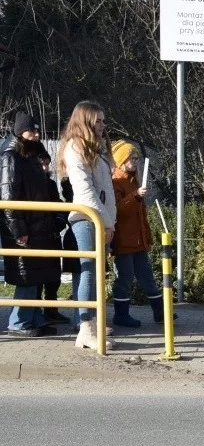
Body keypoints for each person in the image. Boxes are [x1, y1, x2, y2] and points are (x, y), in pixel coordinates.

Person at [58, 101, 116, 351]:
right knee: (87, 272)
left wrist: (108, 220)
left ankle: (92, 323)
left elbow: (105, 191)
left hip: (99, 217)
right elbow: (86, 191)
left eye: (104, 121)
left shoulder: (96, 148)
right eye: (98, 121)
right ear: (86, 121)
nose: (103, 126)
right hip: (86, 217)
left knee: (93, 273)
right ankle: (84, 328)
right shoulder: (75, 147)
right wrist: (106, 222)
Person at [1, 134, 63, 336]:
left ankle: (33, 318)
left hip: (37, 229)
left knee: (34, 276)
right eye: (31, 130)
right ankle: (18, 322)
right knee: (26, 277)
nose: (36, 134)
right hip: (25, 229)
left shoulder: (29, 158)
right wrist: (18, 231)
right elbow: (8, 195)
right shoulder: (11, 158)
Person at [109, 140, 164, 327]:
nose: (135, 160)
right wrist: (136, 196)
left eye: (136, 157)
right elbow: (117, 210)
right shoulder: (116, 182)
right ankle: (121, 315)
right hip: (124, 241)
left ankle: (160, 312)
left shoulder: (133, 180)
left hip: (138, 240)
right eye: (131, 157)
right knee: (125, 277)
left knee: (147, 275)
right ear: (121, 160)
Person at [31, 144, 71, 325]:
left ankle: (51, 310)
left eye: (47, 164)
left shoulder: (50, 184)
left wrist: (60, 221)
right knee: (38, 278)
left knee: (54, 278)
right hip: (37, 236)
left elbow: (59, 206)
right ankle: (36, 312)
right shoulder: (30, 185)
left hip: (52, 236)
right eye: (42, 164)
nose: (46, 168)